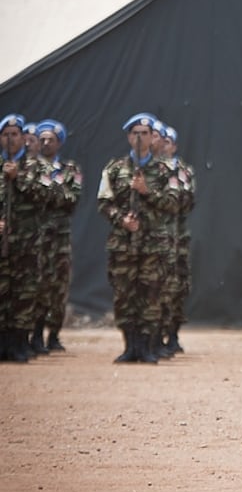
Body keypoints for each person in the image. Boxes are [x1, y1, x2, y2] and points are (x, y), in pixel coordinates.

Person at [97, 113, 181, 364]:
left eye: (145, 133)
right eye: (135, 133)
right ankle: (129, 345)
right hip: (123, 243)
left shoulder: (166, 170)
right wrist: (121, 219)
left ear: (152, 138)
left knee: (150, 295)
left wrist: (148, 192)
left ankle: (146, 346)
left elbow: (174, 202)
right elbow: (104, 201)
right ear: (128, 136)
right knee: (124, 294)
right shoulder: (114, 168)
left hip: (153, 244)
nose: (139, 137)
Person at [1, 113, 52, 362]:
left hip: (28, 241)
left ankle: (20, 342)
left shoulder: (37, 167)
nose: (10, 139)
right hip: (2, 241)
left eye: (15, 135)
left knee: (24, 293)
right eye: (6, 135)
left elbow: (46, 195)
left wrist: (17, 177)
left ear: (23, 138)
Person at [33, 119, 83, 353]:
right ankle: (34, 333)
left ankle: (53, 335)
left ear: (59, 143)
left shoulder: (70, 170)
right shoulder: (30, 168)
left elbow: (71, 199)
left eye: (50, 140)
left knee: (59, 286)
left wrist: (48, 191)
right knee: (37, 284)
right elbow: (32, 197)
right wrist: (54, 192)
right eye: (41, 139)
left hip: (60, 239)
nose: (45, 143)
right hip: (34, 238)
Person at [160, 125, 195, 355]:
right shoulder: (149, 170)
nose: (164, 146)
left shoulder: (183, 170)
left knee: (178, 287)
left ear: (174, 146)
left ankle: (173, 333)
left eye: (168, 142)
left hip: (177, 238)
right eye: (160, 141)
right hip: (154, 237)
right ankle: (155, 334)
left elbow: (187, 200)